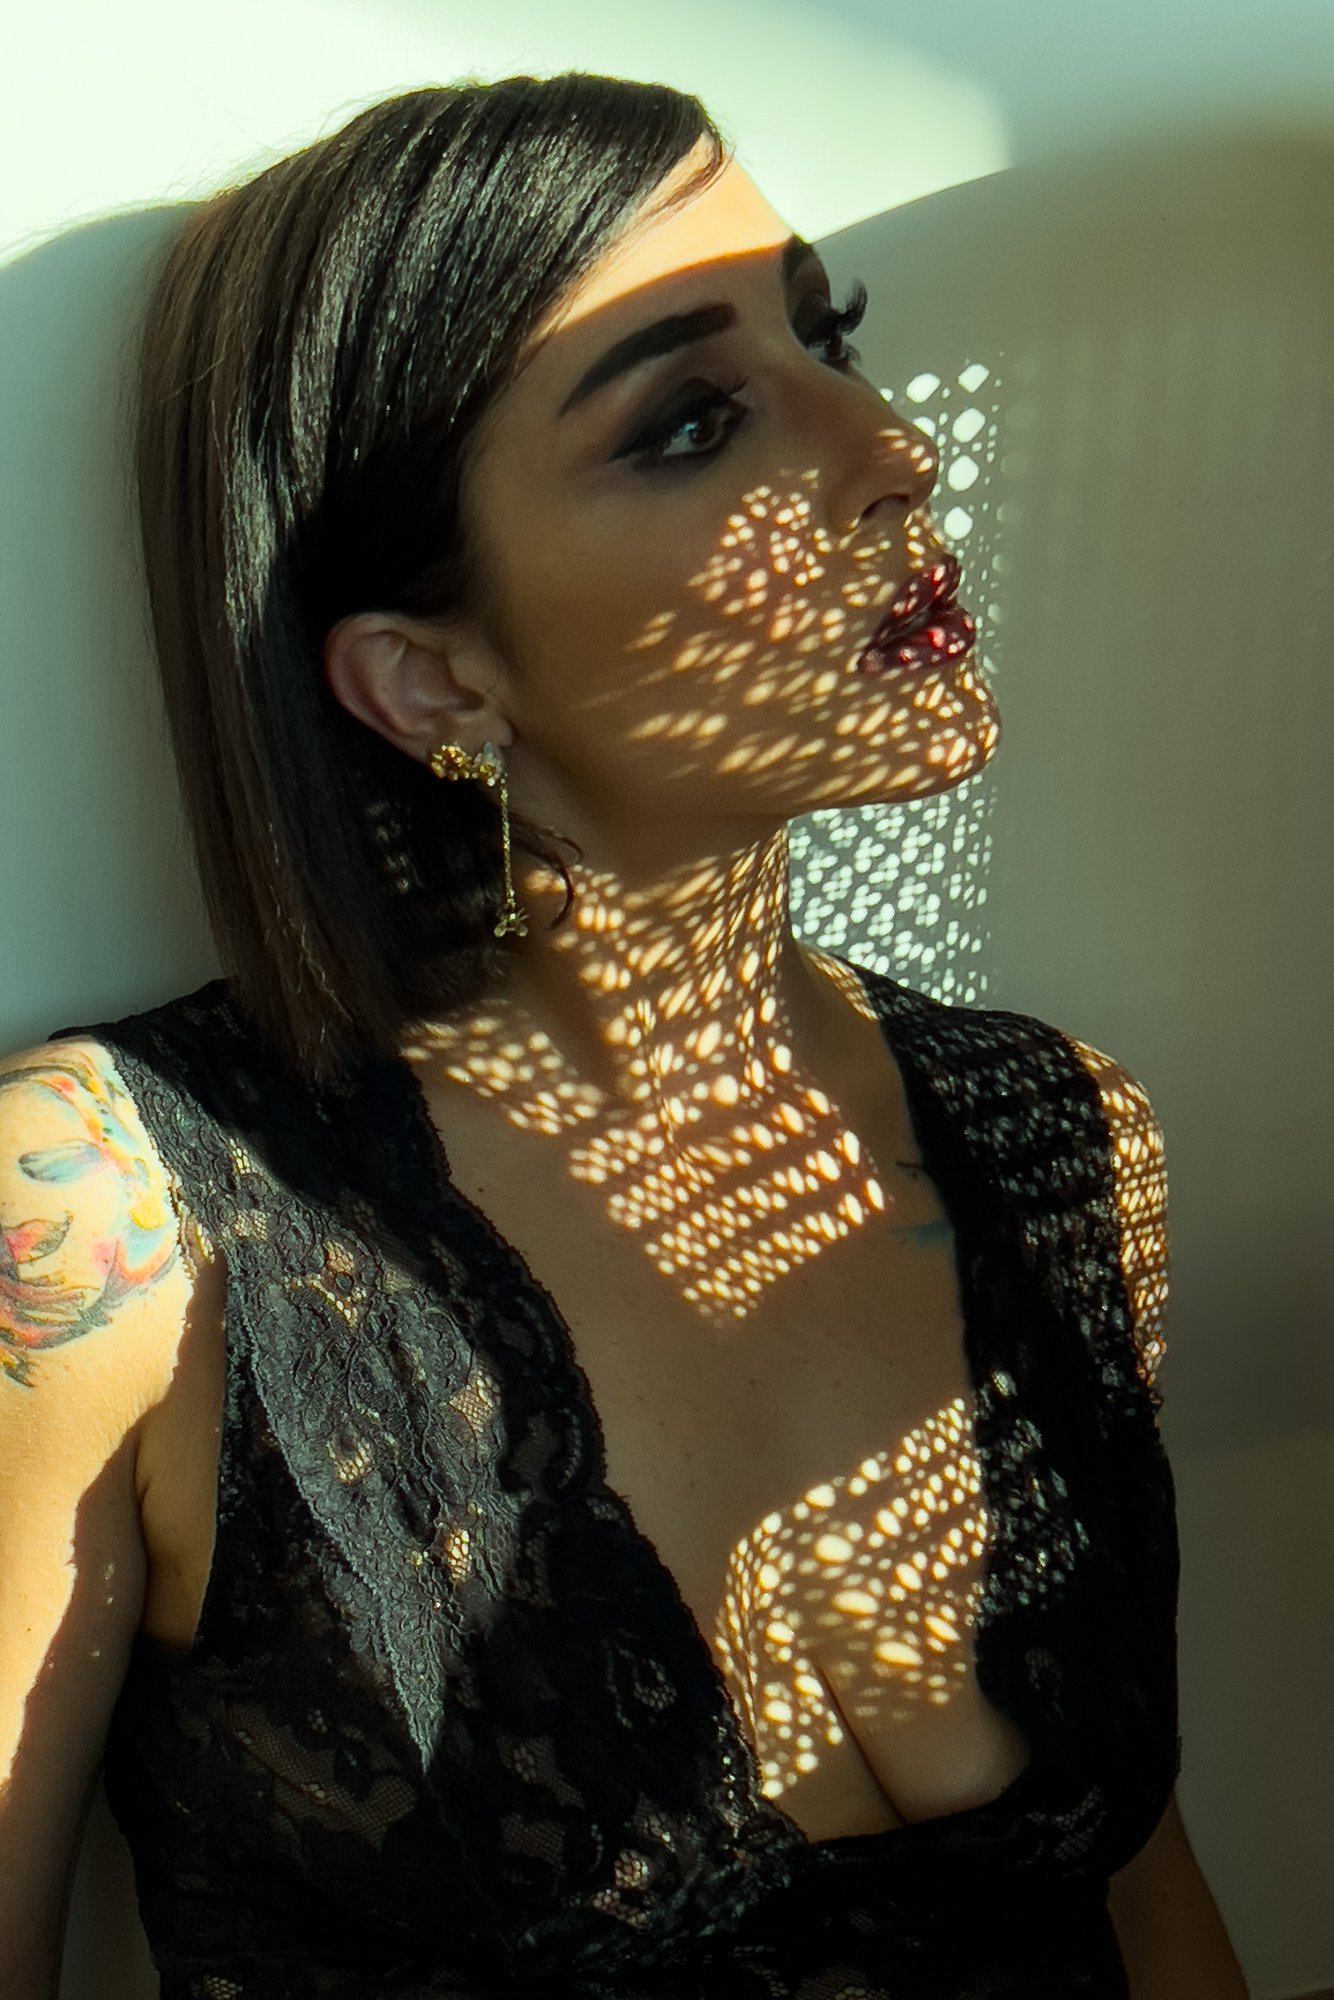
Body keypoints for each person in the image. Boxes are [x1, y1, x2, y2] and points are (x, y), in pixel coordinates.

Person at [0, 73, 1246, 2000]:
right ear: (432, 680)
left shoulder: (1054, 1137)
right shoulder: (111, 1223)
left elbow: (1143, 1900)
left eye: (828, 337)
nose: (894, 451)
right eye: (687, 421)